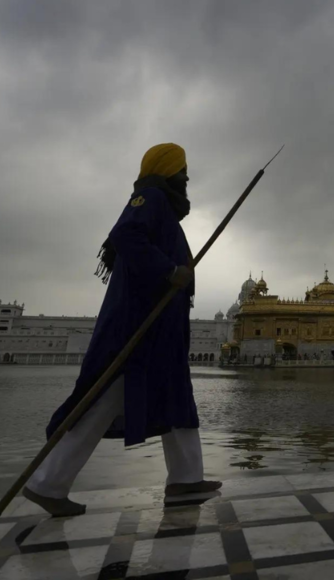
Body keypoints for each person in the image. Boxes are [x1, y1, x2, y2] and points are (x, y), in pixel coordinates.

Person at [23, 143, 221, 517]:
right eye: (182, 169)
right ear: (167, 171)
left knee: (176, 395)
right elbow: (126, 236)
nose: (187, 176)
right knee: (104, 398)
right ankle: (47, 484)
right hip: (138, 326)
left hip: (160, 328)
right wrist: (169, 270)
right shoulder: (150, 198)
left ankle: (185, 479)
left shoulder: (164, 208)